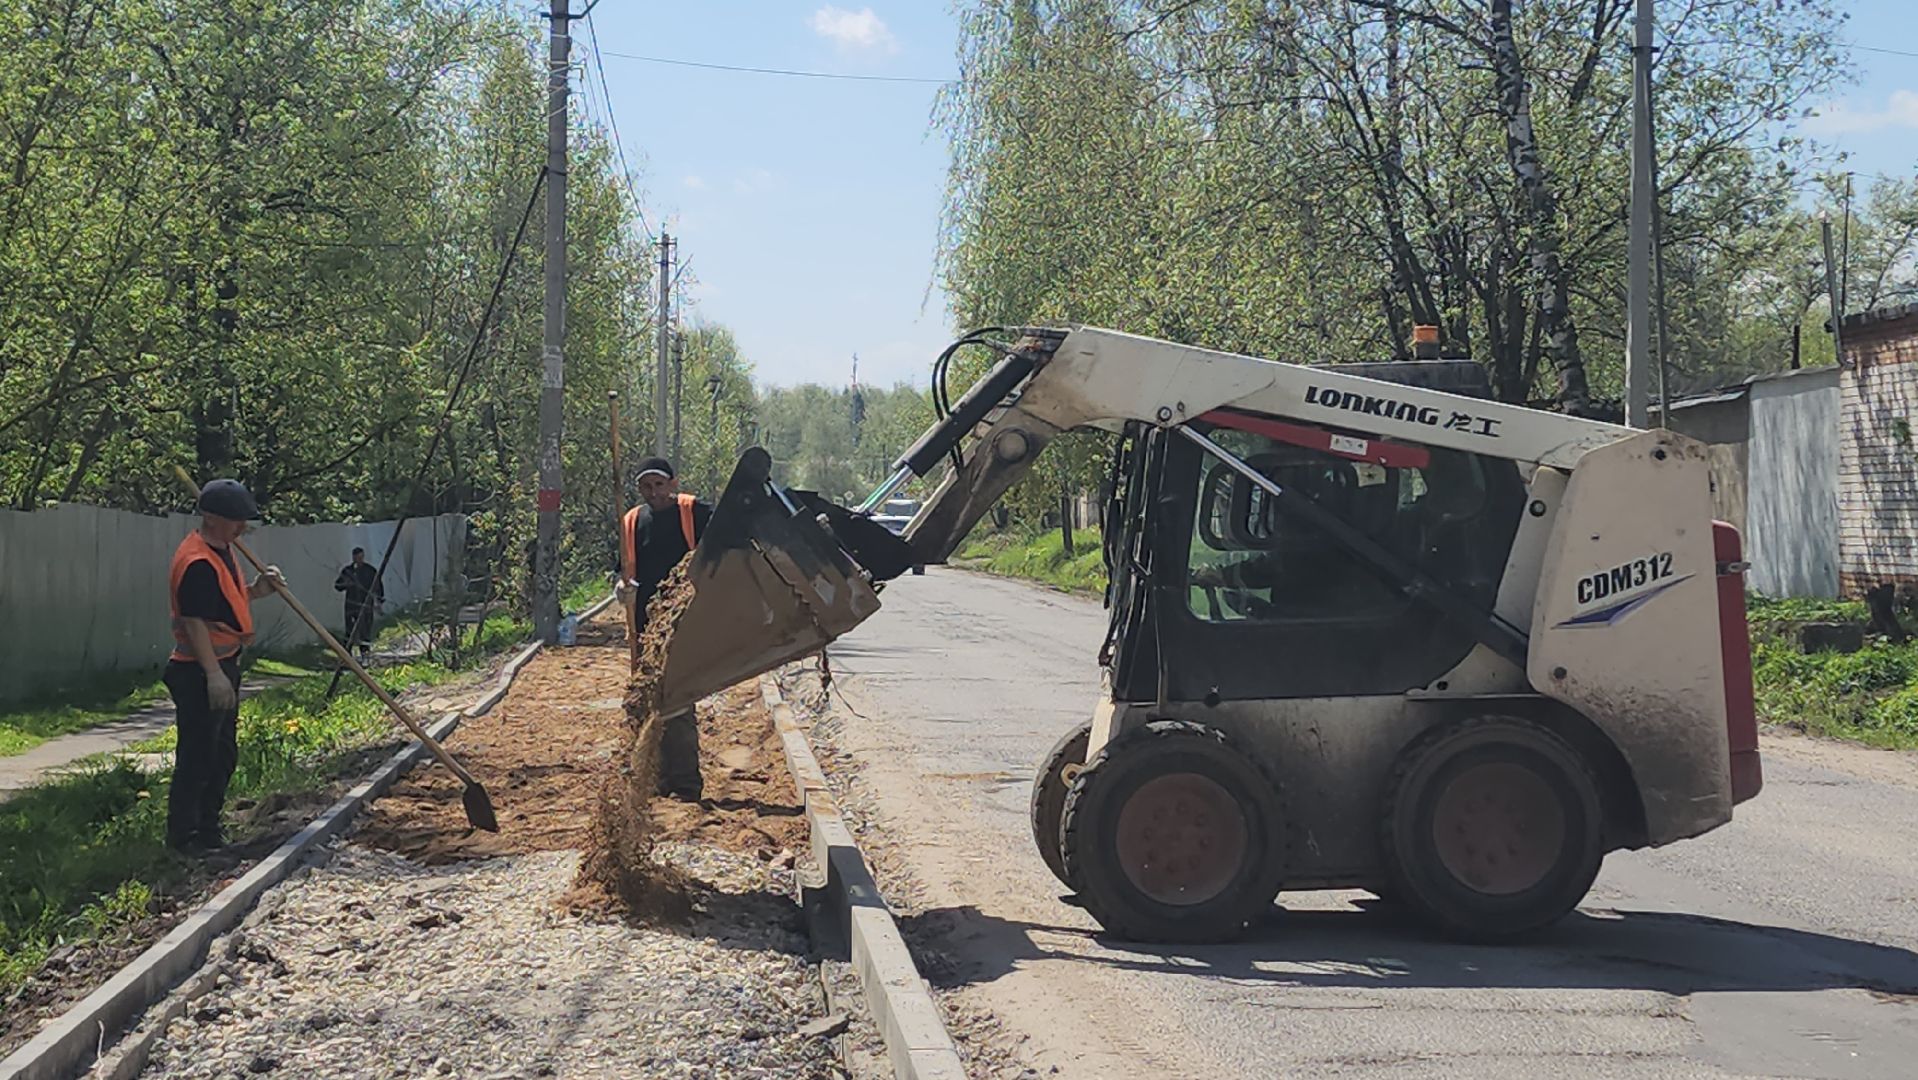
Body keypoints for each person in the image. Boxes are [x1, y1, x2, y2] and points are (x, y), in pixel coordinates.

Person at [165, 479, 285, 852]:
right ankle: (185, 840)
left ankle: (208, 830)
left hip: (223, 664)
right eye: (237, 520)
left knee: (221, 754)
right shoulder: (197, 561)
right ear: (213, 518)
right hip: (200, 671)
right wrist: (214, 676)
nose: (243, 528)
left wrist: (255, 592)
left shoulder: (221, 550)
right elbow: (194, 621)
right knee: (199, 756)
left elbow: (222, 605)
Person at [615, 456, 713, 801]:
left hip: (685, 621)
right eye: (646, 486)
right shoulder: (632, 521)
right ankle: (656, 779)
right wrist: (622, 589)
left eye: (659, 484)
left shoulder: (695, 513)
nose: (653, 492)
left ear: (673, 483)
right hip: (646, 627)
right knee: (648, 699)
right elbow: (626, 568)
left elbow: (722, 551)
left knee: (676, 700)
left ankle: (685, 783)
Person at [333, 547, 384, 661]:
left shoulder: (370, 570)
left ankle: (365, 655)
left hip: (366, 606)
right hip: (351, 606)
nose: (359, 560)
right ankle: (346, 656)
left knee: (365, 631)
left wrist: (379, 602)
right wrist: (347, 584)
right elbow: (338, 586)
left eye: (361, 557)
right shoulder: (348, 571)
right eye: (356, 557)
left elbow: (378, 587)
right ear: (353, 557)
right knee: (350, 631)